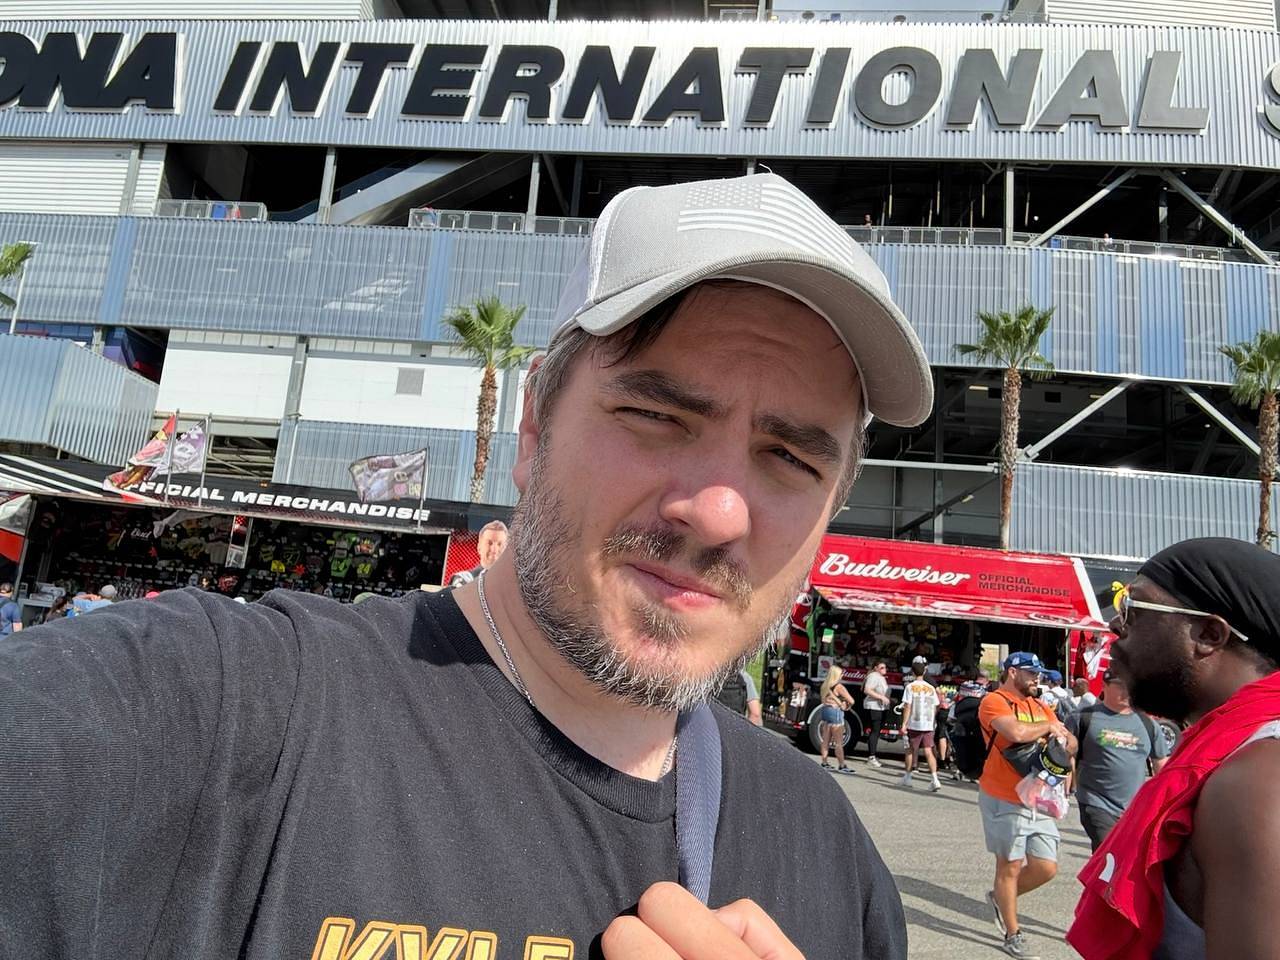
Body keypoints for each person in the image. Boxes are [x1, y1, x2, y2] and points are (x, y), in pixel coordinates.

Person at [0, 172, 932, 959]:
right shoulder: (221, 713)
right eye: (656, 416)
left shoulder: (832, 858)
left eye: (790, 458)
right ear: (532, 426)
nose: (718, 513)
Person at [1068, 538, 1280, 960]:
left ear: (1209, 635)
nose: (1116, 627)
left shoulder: (1254, 781)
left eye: (1133, 608)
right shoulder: (1233, 754)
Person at [979, 651, 1078, 959]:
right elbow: (1016, 732)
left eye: (1038, 674)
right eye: (1031, 673)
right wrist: (1049, 729)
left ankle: (1000, 897)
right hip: (1003, 796)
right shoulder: (994, 701)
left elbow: (1071, 741)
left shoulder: (1039, 705)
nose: (1037, 679)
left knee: (1046, 867)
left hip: (1037, 798)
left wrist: (1066, 741)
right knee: (1008, 866)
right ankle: (1013, 933)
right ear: (1012, 673)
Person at [1066, 669, 1168, 852]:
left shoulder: (1148, 724)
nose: (1127, 691)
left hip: (1134, 809)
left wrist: (1167, 802)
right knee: (1109, 854)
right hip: (1096, 803)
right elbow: (1066, 755)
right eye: (1120, 686)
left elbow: (1162, 765)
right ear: (1104, 685)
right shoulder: (1083, 717)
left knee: (1125, 860)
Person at [899, 656, 942, 792]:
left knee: (910, 750)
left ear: (912, 672)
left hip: (914, 723)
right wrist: (932, 718)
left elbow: (907, 706)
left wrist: (904, 723)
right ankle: (935, 779)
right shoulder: (931, 688)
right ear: (924, 671)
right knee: (928, 750)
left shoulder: (910, 687)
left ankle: (908, 777)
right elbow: (936, 704)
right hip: (928, 723)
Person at [817, 665, 856, 775]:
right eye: (841, 673)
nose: (842, 675)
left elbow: (823, 700)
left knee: (825, 740)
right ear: (837, 675)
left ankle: (824, 762)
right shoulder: (839, 687)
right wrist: (845, 705)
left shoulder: (825, 685)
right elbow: (852, 701)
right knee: (838, 742)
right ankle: (842, 765)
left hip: (825, 711)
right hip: (835, 712)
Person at [448, 520, 510, 587]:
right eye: (489, 543)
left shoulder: (514, 583)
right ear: (479, 547)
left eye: (500, 544)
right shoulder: (464, 580)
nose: (494, 549)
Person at [862, 660, 891, 767]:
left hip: (880, 707)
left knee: (876, 731)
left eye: (885, 667)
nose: (884, 669)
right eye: (882, 667)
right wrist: (881, 697)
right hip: (874, 707)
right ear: (875, 668)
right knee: (875, 731)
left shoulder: (880, 677)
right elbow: (867, 690)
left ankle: (872, 754)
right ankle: (871, 756)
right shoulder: (873, 676)